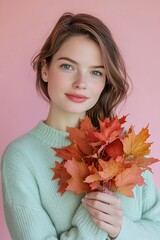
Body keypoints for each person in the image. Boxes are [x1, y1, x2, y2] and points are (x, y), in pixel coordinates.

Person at [1, 12, 160, 240]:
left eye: (95, 72)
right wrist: (94, 219)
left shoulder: (122, 145)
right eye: (68, 66)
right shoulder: (21, 157)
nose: (81, 83)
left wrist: (122, 229)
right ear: (45, 69)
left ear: (105, 81)